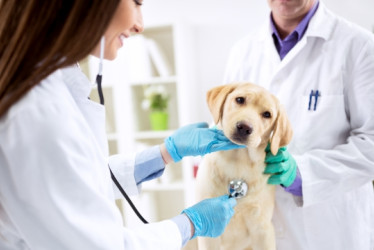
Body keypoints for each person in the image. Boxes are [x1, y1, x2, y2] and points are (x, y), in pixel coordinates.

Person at [0, 1, 243, 249]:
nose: (140, 25)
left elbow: (79, 179)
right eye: (136, 2)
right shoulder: (38, 111)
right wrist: (190, 224)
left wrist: (166, 153)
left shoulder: (53, 84)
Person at [223, 0, 374, 249]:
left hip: (331, 232)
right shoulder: (242, 52)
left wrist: (302, 174)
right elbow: (228, 127)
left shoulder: (359, 47)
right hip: (259, 232)